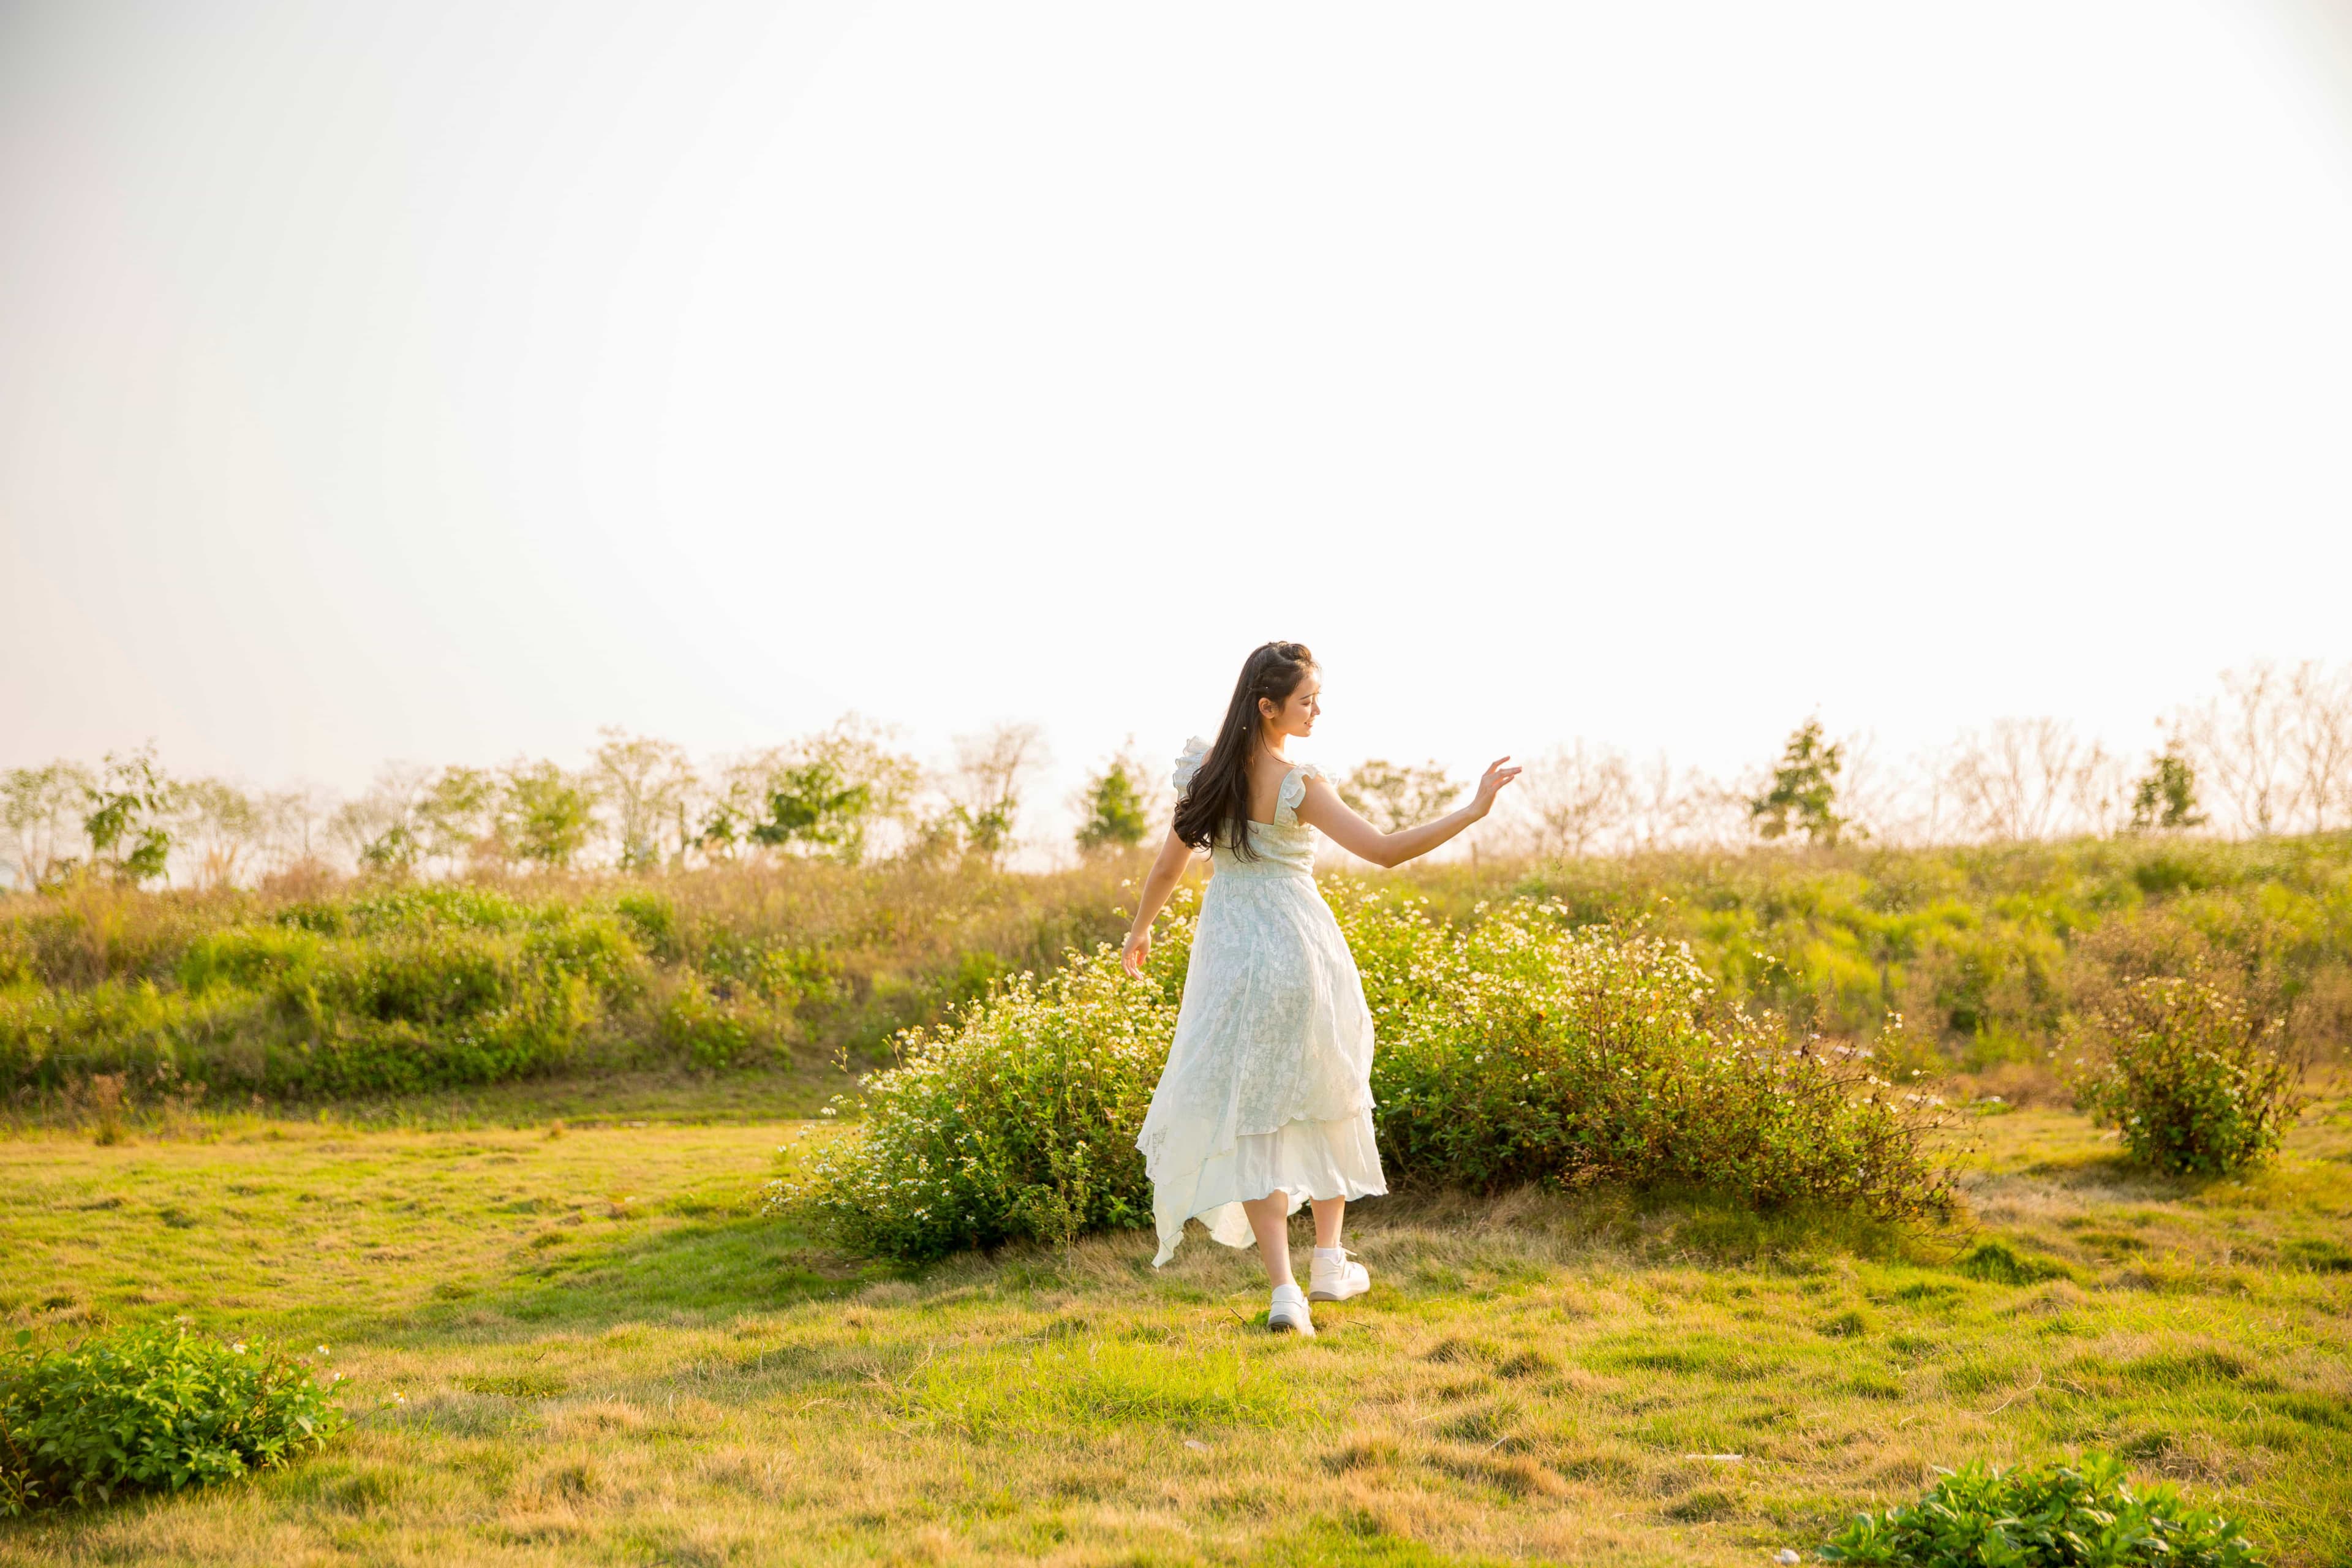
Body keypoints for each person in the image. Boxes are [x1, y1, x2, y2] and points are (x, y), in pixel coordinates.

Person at [1121, 641, 1520, 1334]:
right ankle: (1329, 1259)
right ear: (1267, 706)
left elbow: (1166, 869)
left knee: (1252, 1113)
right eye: (1306, 700)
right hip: (1301, 953)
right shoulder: (1298, 782)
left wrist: (1140, 929)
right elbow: (1387, 850)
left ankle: (1286, 1294)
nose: (1317, 710)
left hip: (1231, 960)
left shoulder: (1204, 778)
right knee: (1328, 1090)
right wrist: (1473, 811)